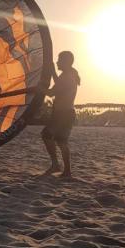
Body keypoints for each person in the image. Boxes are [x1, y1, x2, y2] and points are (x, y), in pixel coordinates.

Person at [41, 50, 80, 178]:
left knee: (47, 135)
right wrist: (53, 73)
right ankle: (67, 171)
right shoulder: (70, 75)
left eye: (59, 59)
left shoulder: (66, 76)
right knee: (61, 141)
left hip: (62, 114)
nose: (57, 62)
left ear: (66, 62)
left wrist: (37, 89)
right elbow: (59, 86)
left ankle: (56, 165)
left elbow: (52, 92)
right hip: (66, 113)